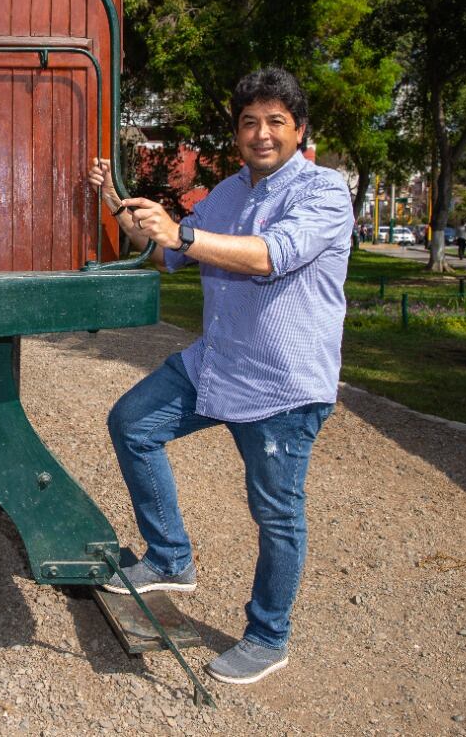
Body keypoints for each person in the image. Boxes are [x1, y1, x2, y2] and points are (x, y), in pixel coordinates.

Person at [87, 68, 352, 685]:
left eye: (276, 122)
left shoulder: (324, 192)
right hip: (217, 363)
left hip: (282, 384)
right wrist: (124, 209)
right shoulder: (228, 193)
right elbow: (170, 254)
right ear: (237, 132)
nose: (262, 133)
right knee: (132, 423)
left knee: (276, 513)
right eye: (250, 122)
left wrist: (181, 230)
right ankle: (171, 557)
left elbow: (269, 256)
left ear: (299, 130)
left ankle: (268, 635)